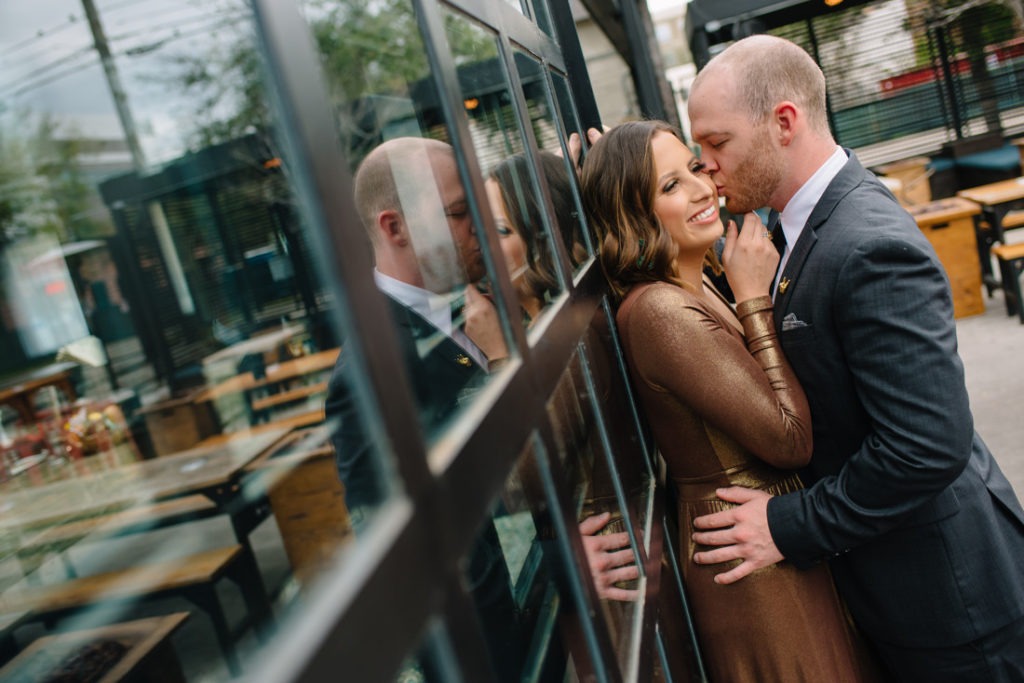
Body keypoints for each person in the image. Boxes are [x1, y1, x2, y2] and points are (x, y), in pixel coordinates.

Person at [686, 34, 1024, 681]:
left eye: (716, 143)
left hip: (953, 608)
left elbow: (926, 444)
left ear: (783, 122)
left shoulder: (866, 243)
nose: (707, 165)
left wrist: (789, 524)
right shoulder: (801, 225)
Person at [580, 119, 877, 680]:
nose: (699, 188)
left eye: (694, 167)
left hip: (767, 533)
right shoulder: (659, 311)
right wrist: (753, 298)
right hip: (748, 560)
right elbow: (790, 439)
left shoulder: (697, 283)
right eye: (668, 186)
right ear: (632, 215)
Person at [324, 136, 507, 521]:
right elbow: (407, 543)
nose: (481, 224)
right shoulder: (370, 371)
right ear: (395, 228)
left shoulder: (485, 295)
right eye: (459, 212)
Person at [486, 149, 640, 601]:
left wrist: (499, 360)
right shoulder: (552, 323)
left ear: (544, 236)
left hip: (614, 570)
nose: (482, 247)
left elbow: (523, 477)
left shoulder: (567, 333)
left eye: (500, 231)